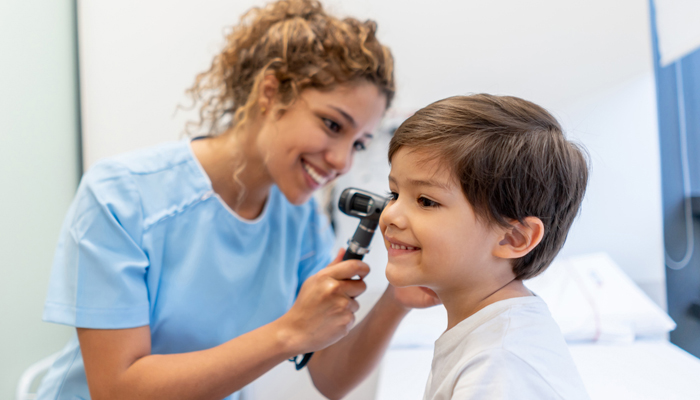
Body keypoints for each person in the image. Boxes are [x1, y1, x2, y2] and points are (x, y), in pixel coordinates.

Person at [37, 1, 439, 399]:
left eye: (359, 143)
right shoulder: (121, 196)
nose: (341, 160)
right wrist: (288, 332)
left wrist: (395, 301)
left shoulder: (299, 221)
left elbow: (330, 378)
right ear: (271, 92)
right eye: (332, 125)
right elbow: (116, 390)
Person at [379, 94, 591, 399]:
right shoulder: (487, 334)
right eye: (394, 194)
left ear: (513, 238)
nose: (390, 215)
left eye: (426, 201)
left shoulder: (500, 366)